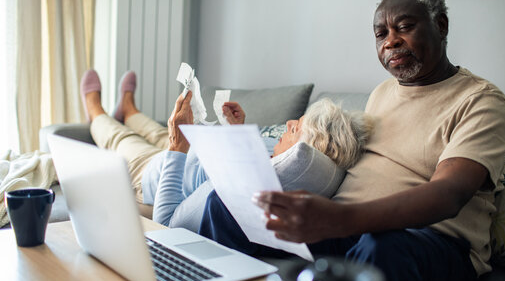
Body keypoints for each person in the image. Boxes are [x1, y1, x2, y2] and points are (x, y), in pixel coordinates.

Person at [198, 0, 505, 281]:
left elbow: (448, 195)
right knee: (226, 206)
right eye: (381, 33)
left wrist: (336, 218)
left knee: (382, 246)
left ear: (441, 25)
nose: (390, 40)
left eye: (404, 27)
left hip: (435, 243)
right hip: (348, 230)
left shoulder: (480, 101)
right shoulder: (382, 93)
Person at [79, 69, 373, 227]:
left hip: (161, 169)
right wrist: (237, 130)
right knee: (156, 131)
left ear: (305, 151)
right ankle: (129, 109)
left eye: (296, 128)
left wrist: (176, 145)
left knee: (123, 141)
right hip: (190, 146)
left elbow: (167, 219)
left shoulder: (250, 183)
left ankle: (95, 110)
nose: (288, 123)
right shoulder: (276, 155)